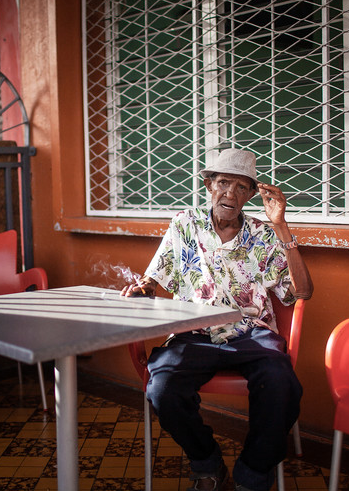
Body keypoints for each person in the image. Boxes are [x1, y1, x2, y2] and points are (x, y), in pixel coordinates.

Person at [120, 148, 313, 491]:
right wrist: (142, 288)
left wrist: (281, 226)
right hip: (193, 332)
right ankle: (206, 461)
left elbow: (304, 292)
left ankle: (252, 474)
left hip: (250, 333)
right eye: (224, 183)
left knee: (281, 383)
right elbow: (155, 277)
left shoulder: (264, 235)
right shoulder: (185, 224)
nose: (231, 194)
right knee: (163, 389)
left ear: (252, 195)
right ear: (209, 185)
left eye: (242, 187)